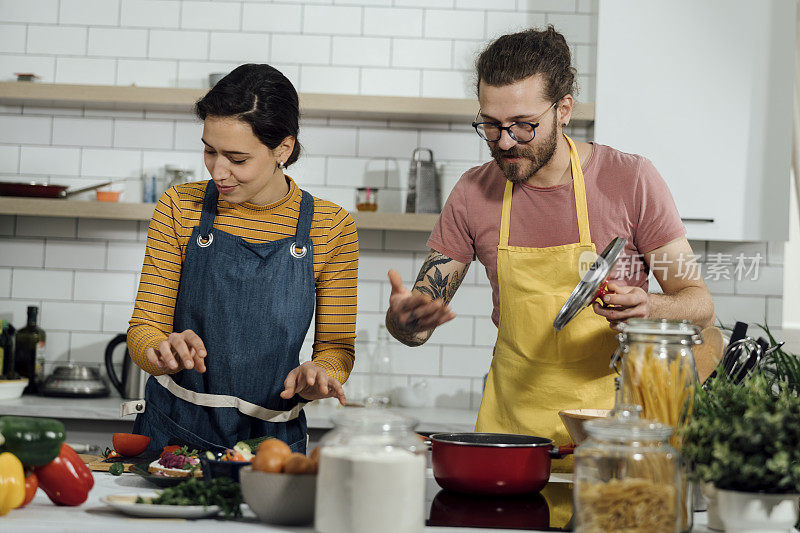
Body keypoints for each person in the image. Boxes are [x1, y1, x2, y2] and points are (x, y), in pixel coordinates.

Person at [384, 27, 714, 460]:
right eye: (490, 125)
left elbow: (699, 304)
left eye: (523, 126)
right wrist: (405, 321)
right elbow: (418, 328)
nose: (504, 142)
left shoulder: (631, 180)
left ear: (563, 110)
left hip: (611, 438)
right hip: (510, 440)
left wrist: (649, 308)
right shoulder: (472, 192)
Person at [127, 64, 358, 455]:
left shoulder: (330, 226)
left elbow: (336, 348)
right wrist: (161, 352)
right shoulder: (180, 207)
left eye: (237, 158)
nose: (219, 171)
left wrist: (320, 376)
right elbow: (144, 329)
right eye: (209, 150)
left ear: (282, 149)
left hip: (272, 445)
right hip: (172, 432)